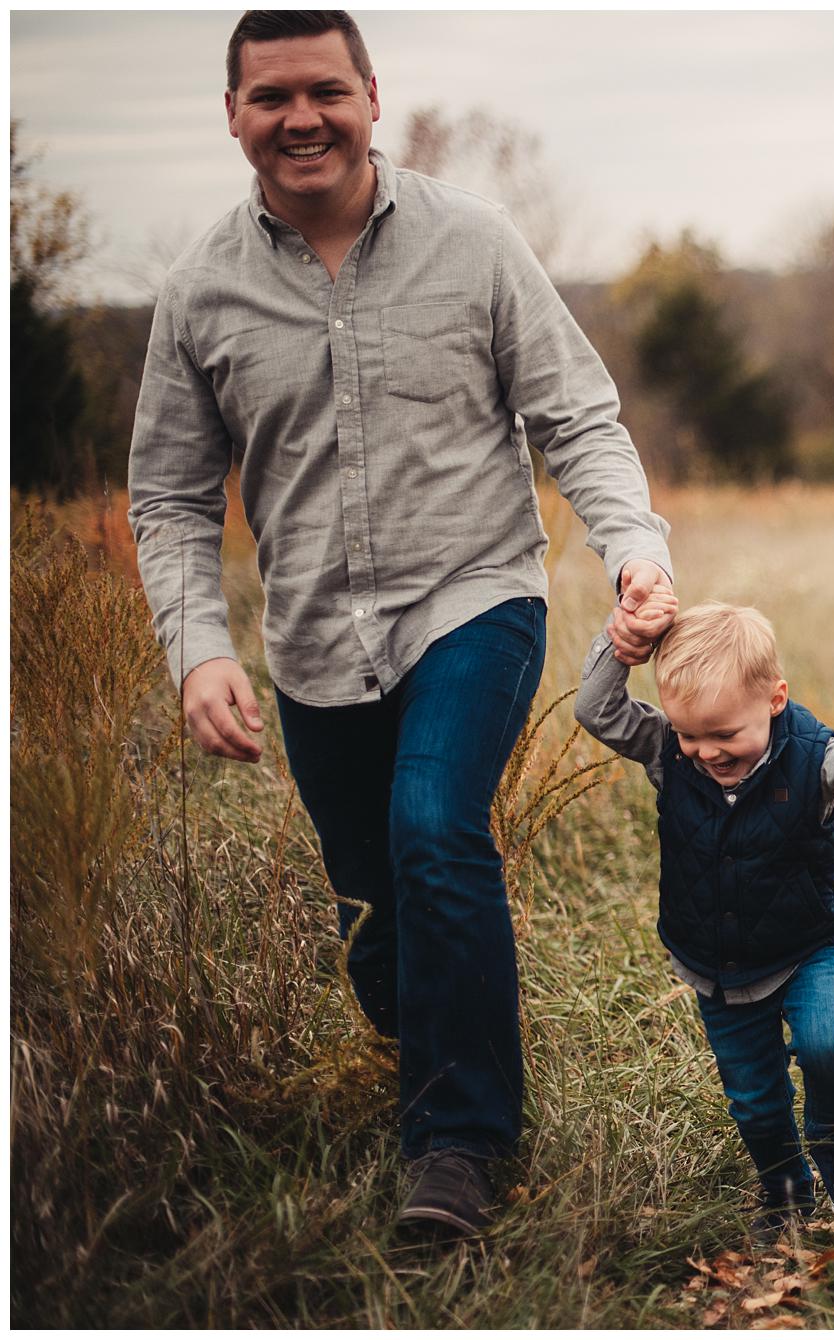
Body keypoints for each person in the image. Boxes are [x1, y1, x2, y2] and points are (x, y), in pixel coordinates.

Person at [126, 10, 675, 1237]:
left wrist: (635, 548)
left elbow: (576, 417)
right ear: (233, 115)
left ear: (372, 96)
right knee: (374, 917)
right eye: (271, 97)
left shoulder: (472, 244)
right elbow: (165, 494)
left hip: (475, 596)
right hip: (316, 638)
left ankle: (461, 1145)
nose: (301, 116)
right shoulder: (198, 291)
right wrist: (199, 644)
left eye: (326, 88)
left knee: (434, 827)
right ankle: (436, 1043)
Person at [576, 601, 834, 1231]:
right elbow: (596, 710)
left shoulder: (811, 755)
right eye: (689, 734)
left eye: (725, 734)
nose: (705, 751)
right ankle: (784, 1186)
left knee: (828, 1045)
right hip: (718, 964)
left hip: (808, 946)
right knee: (754, 1099)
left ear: (775, 699)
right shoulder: (668, 753)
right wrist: (624, 640)